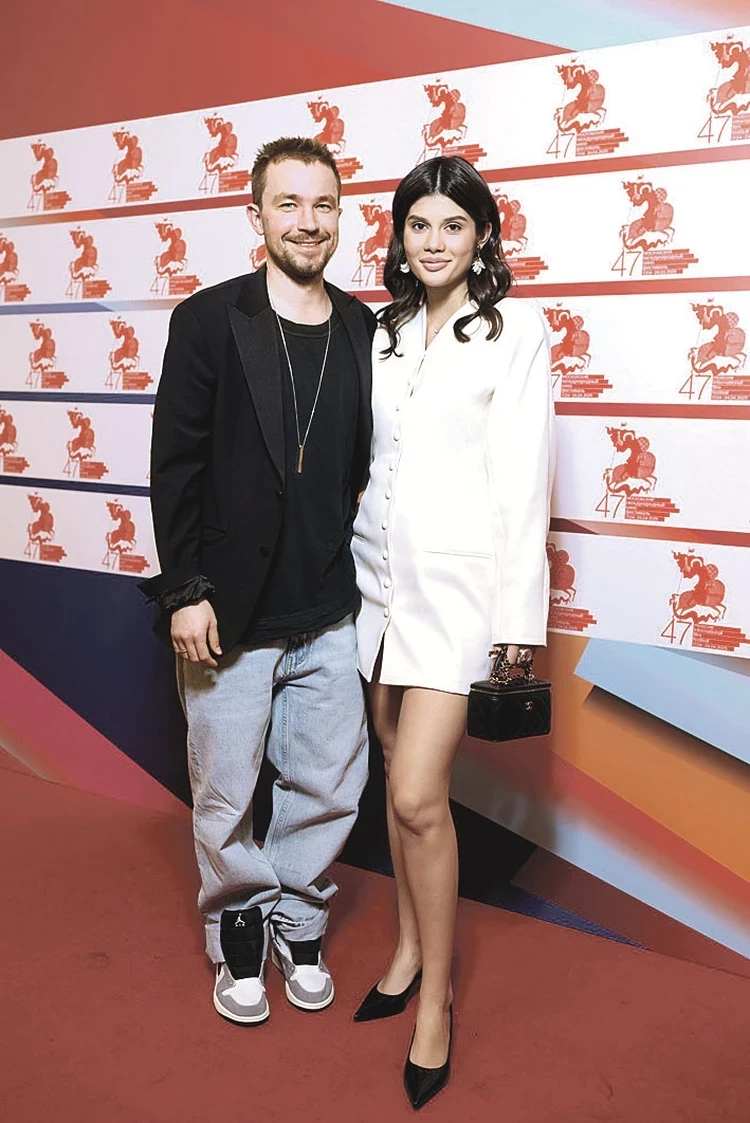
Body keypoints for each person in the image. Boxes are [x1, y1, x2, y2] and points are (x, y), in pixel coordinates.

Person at [140, 136, 376, 1025]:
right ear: (256, 214)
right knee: (225, 791)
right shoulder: (208, 320)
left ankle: (300, 919)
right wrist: (186, 590)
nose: (307, 222)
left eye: (323, 204)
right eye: (288, 203)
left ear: (339, 215)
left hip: (329, 608)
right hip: (228, 613)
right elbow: (176, 467)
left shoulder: (364, 328)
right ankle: (238, 924)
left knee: (328, 785)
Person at [350, 156, 554, 1109]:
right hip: (377, 591)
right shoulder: (382, 331)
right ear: (400, 236)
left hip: (461, 598)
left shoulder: (516, 330)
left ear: (483, 237)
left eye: (453, 225)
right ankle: (403, 948)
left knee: (417, 793)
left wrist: (517, 625)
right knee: (394, 781)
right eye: (418, 224)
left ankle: (435, 999)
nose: (434, 242)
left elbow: (524, 483)